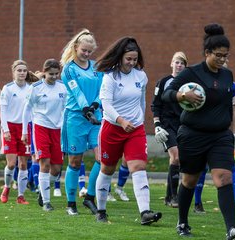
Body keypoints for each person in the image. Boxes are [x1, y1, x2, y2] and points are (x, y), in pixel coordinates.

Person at [162, 23, 235, 239]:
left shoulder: (228, 76)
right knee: (189, 181)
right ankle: (182, 223)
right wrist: (183, 96)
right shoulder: (192, 73)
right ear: (207, 53)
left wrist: (230, 129)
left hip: (220, 136)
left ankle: (231, 229)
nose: (222, 59)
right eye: (218, 55)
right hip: (193, 135)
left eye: (225, 56)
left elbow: (228, 105)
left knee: (224, 178)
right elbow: (167, 94)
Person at [94, 36, 162, 225]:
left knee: (138, 167)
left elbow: (141, 100)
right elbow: (105, 104)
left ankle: (145, 212)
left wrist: (140, 120)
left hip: (135, 129)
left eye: (134, 59)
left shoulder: (141, 76)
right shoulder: (110, 77)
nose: (132, 62)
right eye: (128, 59)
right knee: (107, 169)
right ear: (120, 57)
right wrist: (121, 121)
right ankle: (100, 210)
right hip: (112, 128)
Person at [193, 61, 235, 216]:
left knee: (231, 167)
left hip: (221, 134)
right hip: (202, 133)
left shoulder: (232, 86)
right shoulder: (201, 85)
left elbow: (231, 109)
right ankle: (197, 203)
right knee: (200, 170)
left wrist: (231, 132)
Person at [60, 29, 103, 215]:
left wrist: (95, 105)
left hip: (96, 118)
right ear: (76, 47)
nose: (86, 54)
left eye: (89, 52)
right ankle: (71, 203)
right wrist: (86, 109)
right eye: (83, 50)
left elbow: (103, 90)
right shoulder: (68, 69)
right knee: (75, 162)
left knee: (102, 159)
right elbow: (75, 91)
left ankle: (89, 197)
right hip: (76, 117)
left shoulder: (96, 67)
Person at [22, 58, 67, 211]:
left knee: (56, 169)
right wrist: (24, 132)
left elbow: (67, 109)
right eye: (51, 74)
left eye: (56, 74)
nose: (54, 77)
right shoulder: (36, 87)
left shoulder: (63, 87)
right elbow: (27, 109)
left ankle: (43, 191)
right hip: (41, 127)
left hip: (58, 130)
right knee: (45, 164)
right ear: (44, 72)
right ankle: (46, 202)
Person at [151, 51, 188, 208]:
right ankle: (174, 197)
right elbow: (155, 104)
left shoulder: (188, 84)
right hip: (167, 125)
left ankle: (168, 197)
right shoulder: (163, 82)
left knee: (176, 160)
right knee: (176, 157)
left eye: (182, 63)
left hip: (183, 125)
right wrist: (157, 125)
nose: (179, 65)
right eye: (177, 62)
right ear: (171, 63)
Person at [0, 60, 32, 204]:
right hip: (10, 128)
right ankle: (6, 187)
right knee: (11, 164)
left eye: (24, 70)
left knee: (23, 164)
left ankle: (20, 195)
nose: (22, 73)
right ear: (13, 72)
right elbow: (3, 111)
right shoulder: (7, 88)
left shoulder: (31, 88)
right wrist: (5, 130)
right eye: (19, 70)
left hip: (25, 129)